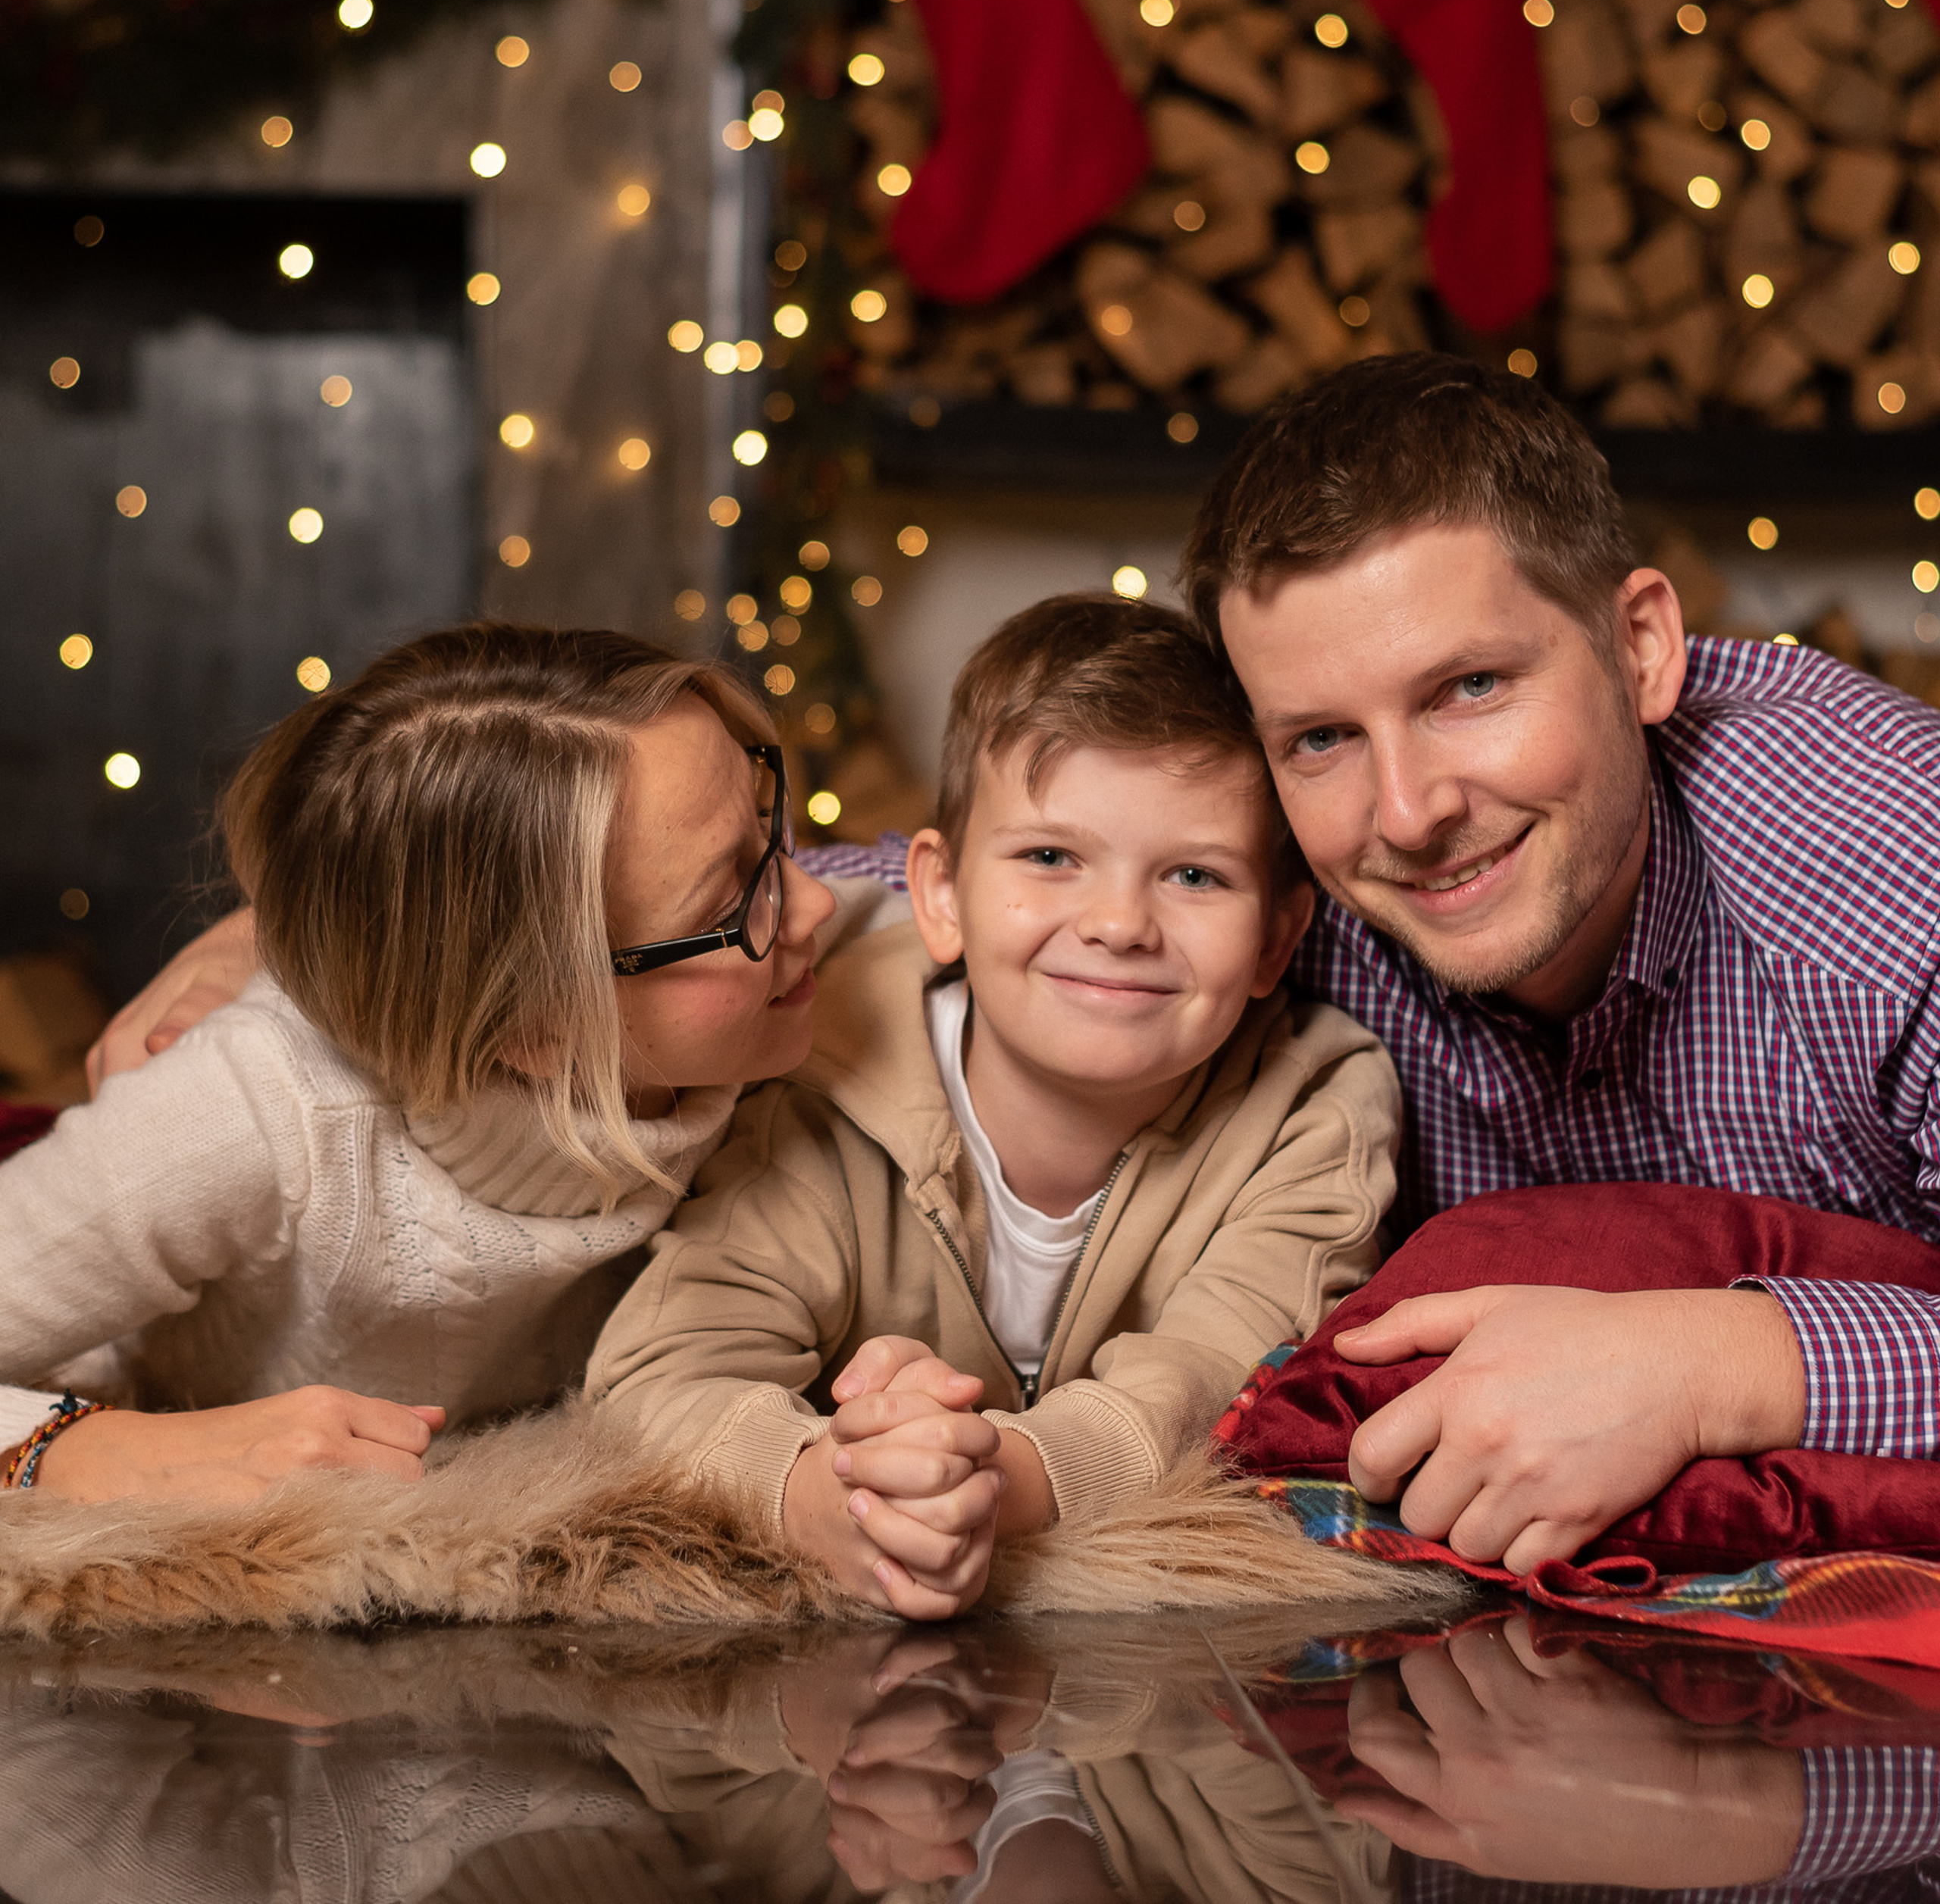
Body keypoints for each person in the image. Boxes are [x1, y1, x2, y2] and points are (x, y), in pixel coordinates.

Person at [1175, 351, 1940, 1572]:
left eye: (1470, 687)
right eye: (1321, 738)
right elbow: (968, 882)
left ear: (1641, 648)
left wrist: (1712, 1370)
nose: (1410, 811)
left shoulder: (1889, 869)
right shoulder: (1279, 879)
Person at [587, 596, 1401, 1618]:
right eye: (1051, 858)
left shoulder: (1314, 1104)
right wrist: (826, 1492)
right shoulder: (827, 1060)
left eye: (1195, 875)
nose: (1117, 925)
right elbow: (663, 1370)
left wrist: (992, 1480)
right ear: (941, 896)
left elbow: (1212, 1383)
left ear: (1279, 940)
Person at [0, 623, 858, 1503]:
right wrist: (87, 1454)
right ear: (532, 1028)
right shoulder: (253, 1109)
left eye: (768, 824)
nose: (818, 902)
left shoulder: (757, 1002)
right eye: (734, 900)